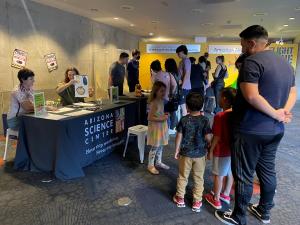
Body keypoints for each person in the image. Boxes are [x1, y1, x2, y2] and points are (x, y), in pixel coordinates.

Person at [215, 25, 297, 225]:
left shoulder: (251, 62)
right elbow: (293, 92)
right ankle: (264, 211)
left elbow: (252, 96)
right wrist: (283, 112)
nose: (242, 49)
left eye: (243, 45)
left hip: (250, 130)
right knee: (267, 171)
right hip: (274, 131)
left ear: (251, 43)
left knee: (243, 174)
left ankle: (238, 217)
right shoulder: (285, 64)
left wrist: (277, 113)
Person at [173, 92, 212, 213]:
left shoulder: (184, 120)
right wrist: (210, 147)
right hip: (200, 155)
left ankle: (180, 198)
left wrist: (176, 150)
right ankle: (197, 202)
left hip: (185, 154)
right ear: (201, 106)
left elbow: (179, 136)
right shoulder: (205, 120)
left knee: (183, 176)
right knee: (199, 178)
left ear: (187, 107)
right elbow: (208, 137)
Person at [205, 87, 237, 210]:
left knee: (218, 175)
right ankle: (226, 194)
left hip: (221, 150)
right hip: (232, 149)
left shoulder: (220, 116)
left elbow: (217, 136)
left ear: (224, 99)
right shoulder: (236, 113)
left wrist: (211, 150)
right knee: (229, 172)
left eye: (219, 96)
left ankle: (216, 199)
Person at [147, 81, 170, 175]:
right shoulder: (154, 103)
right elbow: (150, 117)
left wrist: (163, 115)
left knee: (160, 145)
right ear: (156, 91)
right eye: (161, 91)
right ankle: (150, 165)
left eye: (164, 91)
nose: (164, 93)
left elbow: (158, 113)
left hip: (161, 127)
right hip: (156, 128)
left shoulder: (161, 101)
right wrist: (162, 118)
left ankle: (158, 162)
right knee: (155, 146)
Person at [165, 58, 180, 130]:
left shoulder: (170, 74)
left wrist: (171, 94)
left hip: (172, 95)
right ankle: (173, 127)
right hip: (176, 95)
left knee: (169, 111)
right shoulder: (176, 73)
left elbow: (174, 85)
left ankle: (170, 128)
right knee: (173, 111)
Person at [176, 45, 192, 116]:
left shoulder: (186, 60)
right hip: (182, 86)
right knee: (182, 106)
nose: (178, 55)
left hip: (185, 87)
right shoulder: (182, 61)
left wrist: (182, 85)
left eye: (178, 53)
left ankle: (184, 123)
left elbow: (187, 73)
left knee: (183, 106)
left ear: (182, 52)